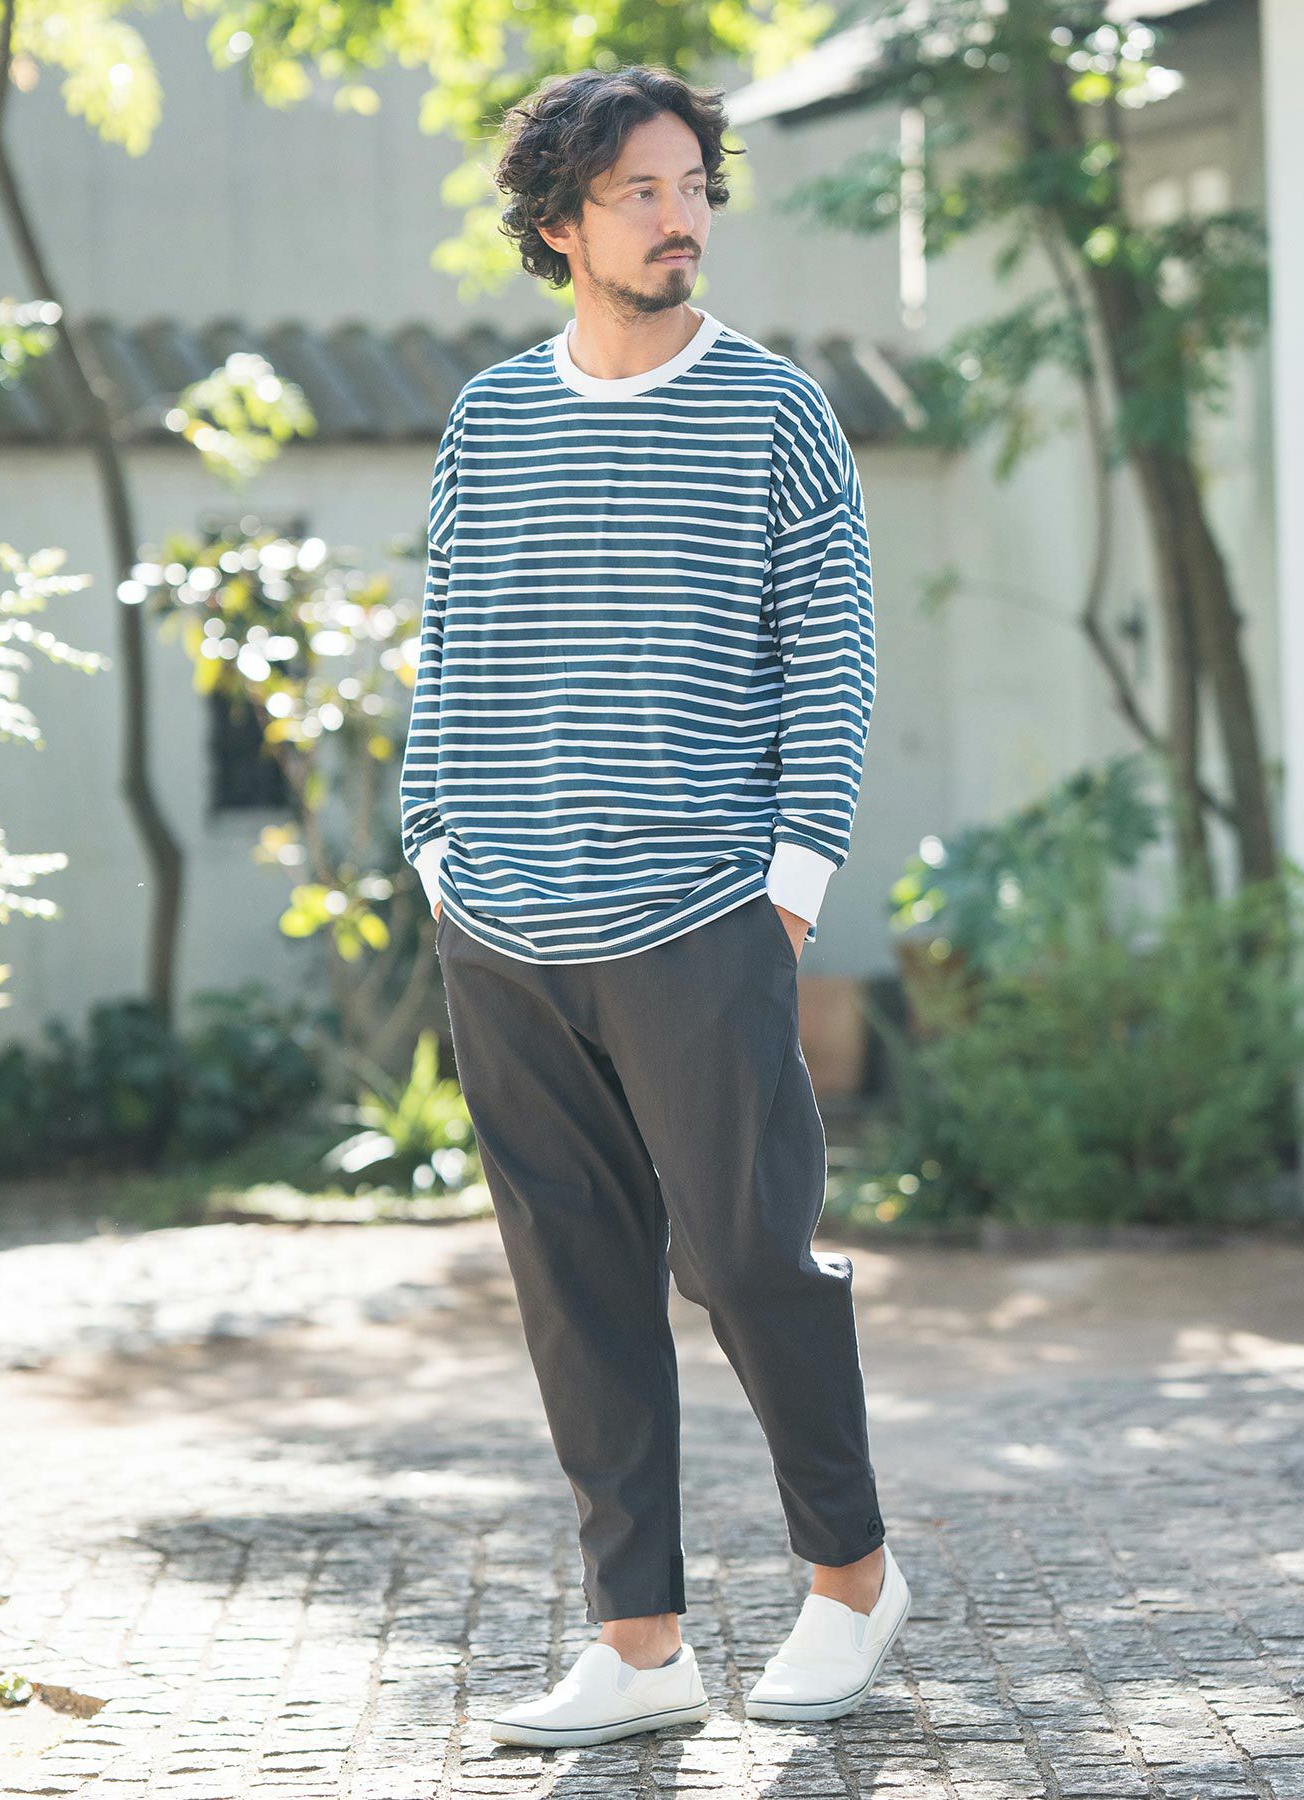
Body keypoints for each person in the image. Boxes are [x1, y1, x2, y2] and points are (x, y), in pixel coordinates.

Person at [398, 62, 909, 1747]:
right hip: (503, 921)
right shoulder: (492, 418)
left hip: (701, 910)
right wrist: (434, 842)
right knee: (577, 1284)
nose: (680, 216)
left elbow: (832, 648)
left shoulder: (773, 411)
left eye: (693, 186)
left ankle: (852, 1581)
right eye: (641, 191)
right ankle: (640, 1643)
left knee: (750, 1258)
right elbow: (453, 641)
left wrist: (792, 882)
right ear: (561, 222)